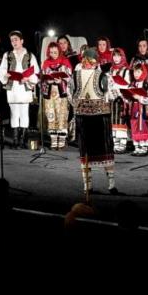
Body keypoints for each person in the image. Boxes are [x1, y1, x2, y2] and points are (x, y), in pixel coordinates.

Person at [71, 47, 118, 194]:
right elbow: (113, 95)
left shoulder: (75, 75)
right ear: (96, 61)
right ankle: (111, 185)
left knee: (85, 150)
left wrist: (81, 105)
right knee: (105, 149)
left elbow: (70, 96)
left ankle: (88, 186)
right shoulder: (103, 75)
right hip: (100, 118)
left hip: (83, 118)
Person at [0, 30, 39, 149]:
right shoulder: (7, 55)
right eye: (12, 40)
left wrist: (28, 78)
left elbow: (36, 71)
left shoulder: (30, 55)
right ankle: (15, 140)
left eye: (16, 40)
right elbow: (1, 70)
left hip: (25, 87)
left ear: (22, 41)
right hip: (13, 87)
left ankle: (23, 140)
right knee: (14, 113)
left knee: (24, 113)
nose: (14, 42)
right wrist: (5, 74)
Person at [40, 42, 72, 150]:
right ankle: (53, 139)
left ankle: (61, 140)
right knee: (51, 115)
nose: (53, 54)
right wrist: (46, 81)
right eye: (51, 52)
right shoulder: (46, 63)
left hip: (61, 93)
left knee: (61, 115)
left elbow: (70, 79)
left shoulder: (65, 62)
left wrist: (61, 80)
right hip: (50, 93)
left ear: (59, 51)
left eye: (55, 52)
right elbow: (42, 79)